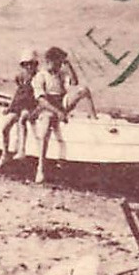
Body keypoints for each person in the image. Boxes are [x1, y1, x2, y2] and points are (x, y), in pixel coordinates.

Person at [30, 46, 96, 184]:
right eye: (57, 62)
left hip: (61, 102)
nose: (60, 65)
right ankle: (40, 167)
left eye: (61, 63)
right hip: (47, 106)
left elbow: (74, 82)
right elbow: (41, 100)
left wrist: (69, 65)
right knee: (47, 124)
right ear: (49, 61)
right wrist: (58, 112)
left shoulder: (60, 73)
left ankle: (94, 119)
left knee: (84, 90)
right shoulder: (40, 76)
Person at [0, 49, 40, 170]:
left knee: (23, 118)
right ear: (23, 66)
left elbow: (41, 96)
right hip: (19, 105)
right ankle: (5, 154)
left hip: (31, 105)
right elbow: (18, 94)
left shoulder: (38, 78)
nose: (29, 66)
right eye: (26, 64)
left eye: (32, 64)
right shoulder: (20, 77)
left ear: (36, 65)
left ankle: (21, 150)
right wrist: (10, 107)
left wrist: (37, 111)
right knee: (5, 127)